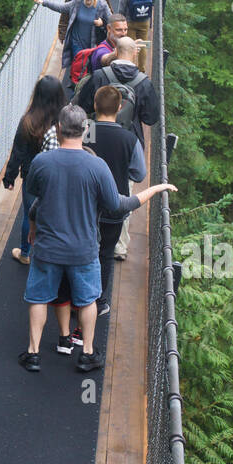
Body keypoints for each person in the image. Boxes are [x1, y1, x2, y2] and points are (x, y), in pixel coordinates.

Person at [19, 105, 175, 373]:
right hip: (83, 250)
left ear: (57, 129)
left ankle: (33, 354)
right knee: (88, 300)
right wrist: (156, 189)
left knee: (38, 298)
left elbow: (36, 197)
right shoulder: (97, 166)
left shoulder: (41, 163)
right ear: (85, 130)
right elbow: (117, 205)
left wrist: (33, 227)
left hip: (47, 248)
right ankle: (88, 353)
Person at [88, 85, 146, 314]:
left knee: (84, 248)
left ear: (94, 105)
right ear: (120, 108)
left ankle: (77, 295)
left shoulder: (87, 130)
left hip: (86, 202)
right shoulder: (129, 138)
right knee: (106, 253)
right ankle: (99, 300)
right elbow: (139, 174)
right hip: (114, 206)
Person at [2, 76, 65, 264]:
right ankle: (52, 254)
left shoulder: (28, 122)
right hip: (59, 175)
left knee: (30, 213)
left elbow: (18, 153)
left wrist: (9, 178)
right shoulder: (65, 118)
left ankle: (25, 253)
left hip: (32, 176)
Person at [33, 0, 110, 90]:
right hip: (76, 42)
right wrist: (44, 2)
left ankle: (84, 88)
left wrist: (102, 23)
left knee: (89, 68)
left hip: (92, 43)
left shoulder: (102, 5)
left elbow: (111, 20)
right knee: (79, 66)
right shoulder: (77, 2)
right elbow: (61, 7)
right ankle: (77, 89)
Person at [116, 0, 157, 73]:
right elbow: (153, 1)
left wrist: (121, 21)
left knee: (130, 45)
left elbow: (121, 7)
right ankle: (142, 70)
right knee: (142, 45)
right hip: (144, 21)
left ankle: (131, 69)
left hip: (130, 21)